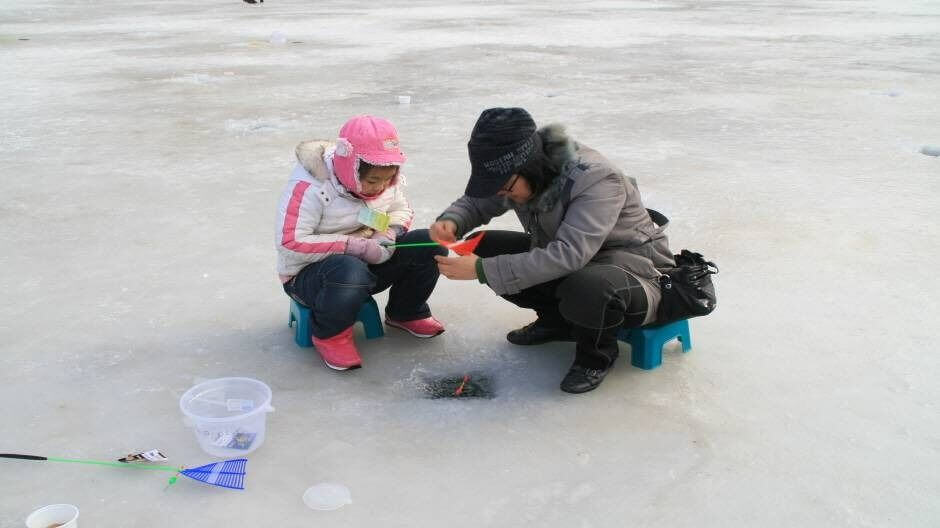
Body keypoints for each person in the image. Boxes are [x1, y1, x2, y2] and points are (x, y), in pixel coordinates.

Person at [432, 107, 675, 394]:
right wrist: (453, 220)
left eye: (505, 187)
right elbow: (478, 202)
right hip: (579, 266)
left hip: (636, 276)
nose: (502, 194)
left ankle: (596, 356)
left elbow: (569, 254)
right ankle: (557, 322)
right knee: (484, 246)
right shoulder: (523, 175)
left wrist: (482, 270)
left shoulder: (596, 178)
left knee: (587, 284)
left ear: (531, 167)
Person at [275, 115, 446, 371]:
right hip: (309, 277)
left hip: (365, 265)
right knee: (349, 268)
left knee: (428, 244)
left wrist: (388, 234)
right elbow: (290, 241)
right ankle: (331, 335)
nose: (381, 187)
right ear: (350, 167)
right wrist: (355, 246)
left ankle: (406, 312)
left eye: (388, 178)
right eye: (373, 180)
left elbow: (400, 208)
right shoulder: (309, 186)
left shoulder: (385, 180)